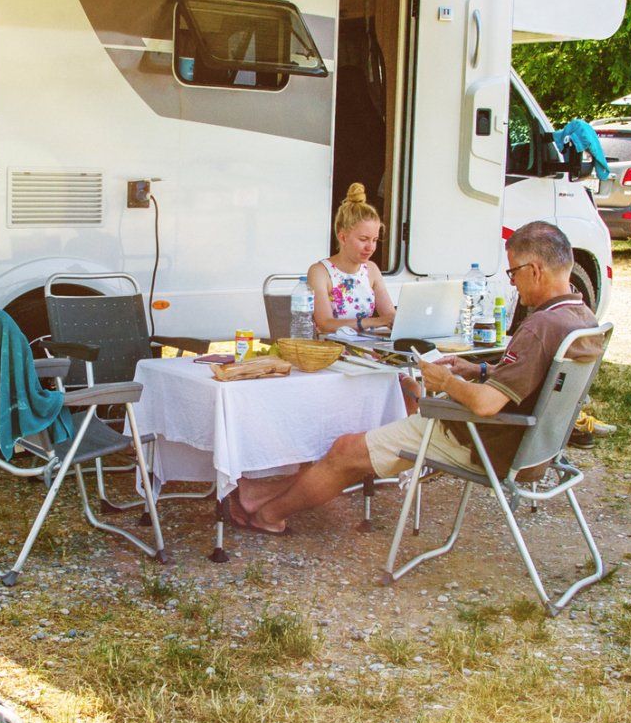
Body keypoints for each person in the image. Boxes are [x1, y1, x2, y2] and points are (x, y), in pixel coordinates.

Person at [231, 220, 602, 533]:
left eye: (514, 273)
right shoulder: (581, 319)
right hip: (535, 449)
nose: (514, 283)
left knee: (346, 450)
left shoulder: (539, 326)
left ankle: (268, 514)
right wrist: (479, 369)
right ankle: (257, 497)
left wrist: (444, 385)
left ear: (535, 270)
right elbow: (534, 377)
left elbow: (486, 404)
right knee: (354, 448)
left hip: (478, 440)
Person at [308, 184, 397, 336]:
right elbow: (325, 323)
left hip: (368, 350)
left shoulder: (372, 269)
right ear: (342, 237)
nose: (371, 247)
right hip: (332, 352)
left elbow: (389, 316)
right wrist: (373, 322)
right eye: (363, 239)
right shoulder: (320, 272)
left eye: (374, 240)